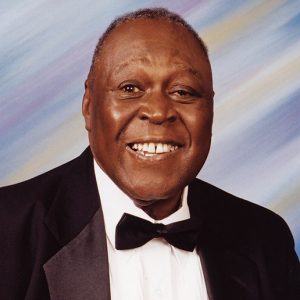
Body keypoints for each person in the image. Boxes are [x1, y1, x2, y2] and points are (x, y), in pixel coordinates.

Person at [0, 8, 299, 300]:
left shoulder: (265, 239)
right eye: (130, 87)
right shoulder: (8, 230)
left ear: (210, 109)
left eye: (183, 92)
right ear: (89, 106)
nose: (158, 112)